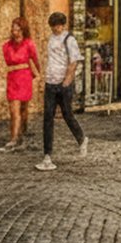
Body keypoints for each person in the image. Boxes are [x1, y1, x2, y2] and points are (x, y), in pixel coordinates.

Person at [37, 12, 88, 171]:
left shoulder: (69, 40)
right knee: (48, 118)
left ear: (63, 25)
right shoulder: (51, 39)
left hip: (63, 83)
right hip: (50, 82)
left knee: (67, 114)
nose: (56, 29)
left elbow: (74, 62)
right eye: (53, 26)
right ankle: (47, 155)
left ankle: (81, 138)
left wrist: (67, 80)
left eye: (58, 26)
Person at [0, 18, 40, 152]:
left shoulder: (29, 44)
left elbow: (35, 60)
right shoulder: (6, 46)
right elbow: (7, 61)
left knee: (23, 108)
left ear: (23, 30)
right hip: (12, 78)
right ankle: (14, 138)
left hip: (25, 78)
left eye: (18, 29)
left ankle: (22, 132)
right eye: (13, 29)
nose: (15, 32)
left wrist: (37, 75)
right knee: (14, 110)